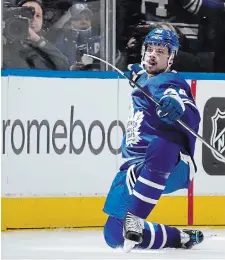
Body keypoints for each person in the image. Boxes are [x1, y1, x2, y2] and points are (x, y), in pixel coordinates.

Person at [103, 28, 204, 252]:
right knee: (113, 235)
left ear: (171, 58)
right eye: (149, 49)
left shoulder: (170, 81)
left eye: (160, 51)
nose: (152, 54)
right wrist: (138, 74)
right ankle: (180, 238)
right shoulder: (145, 79)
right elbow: (145, 77)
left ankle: (136, 219)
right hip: (133, 170)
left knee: (161, 144)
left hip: (171, 163)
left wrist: (177, 107)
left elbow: (185, 105)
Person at [3, 0, 69, 70]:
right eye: (26, 14)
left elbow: (64, 68)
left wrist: (37, 40)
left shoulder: (48, 46)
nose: (33, 19)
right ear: (16, 17)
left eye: (38, 16)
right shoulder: (5, 43)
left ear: (42, 21)